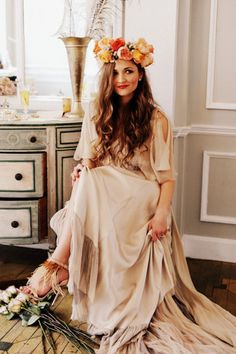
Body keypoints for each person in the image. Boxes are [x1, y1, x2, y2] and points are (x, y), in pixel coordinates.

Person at [25, 37, 236, 353]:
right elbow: (90, 162)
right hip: (106, 190)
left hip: (144, 192)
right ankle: (61, 264)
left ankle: (57, 264)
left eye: (129, 71)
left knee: (93, 181)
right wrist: (81, 173)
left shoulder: (156, 119)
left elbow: (166, 179)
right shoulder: (97, 113)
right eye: (115, 72)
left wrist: (162, 213)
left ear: (140, 75)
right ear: (107, 77)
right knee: (89, 178)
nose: (121, 79)